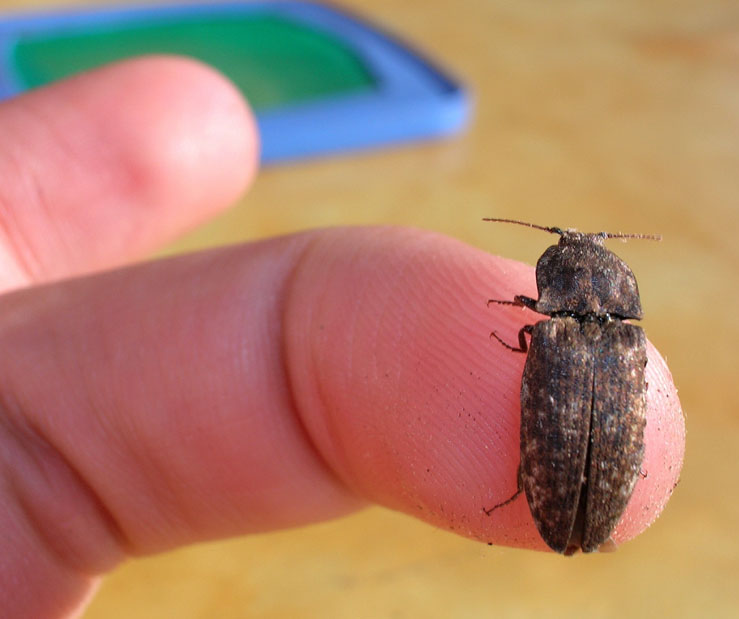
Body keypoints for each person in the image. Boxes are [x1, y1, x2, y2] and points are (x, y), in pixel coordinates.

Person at [0, 57, 684, 618]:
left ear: (553, 281)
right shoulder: (625, 348)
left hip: (555, 475)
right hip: (568, 478)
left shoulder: (549, 331)